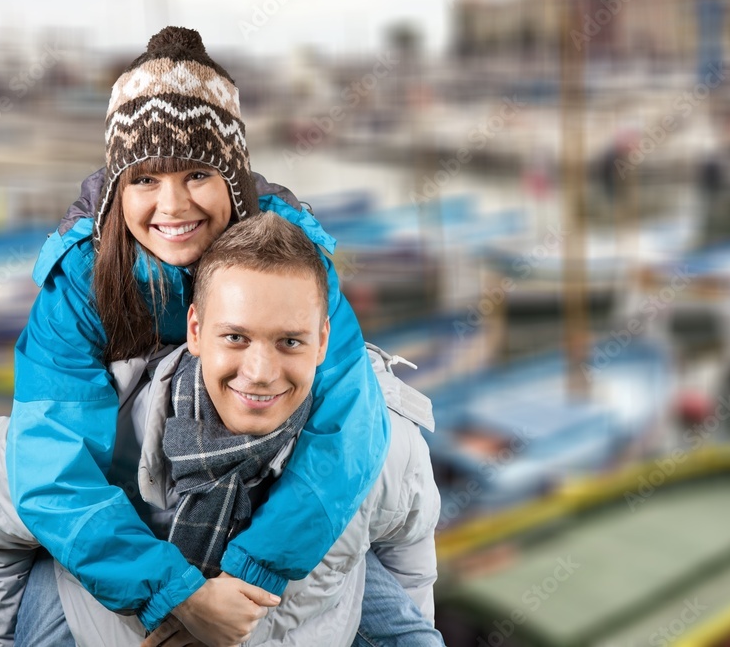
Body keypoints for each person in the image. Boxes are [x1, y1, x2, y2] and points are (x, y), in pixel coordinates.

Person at [0, 26, 395, 646]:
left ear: (234, 180)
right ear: (120, 187)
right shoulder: (81, 279)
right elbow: (52, 463)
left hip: (264, 522)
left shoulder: (293, 262)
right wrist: (174, 593)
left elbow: (348, 429)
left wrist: (248, 575)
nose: (173, 205)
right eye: (145, 179)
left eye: (197, 175)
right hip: (136, 525)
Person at [47, 212, 441, 645]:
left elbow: (409, 558)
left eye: (289, 341)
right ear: (195, 330)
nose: (259, 373)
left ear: (323, 341)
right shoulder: (99, 434)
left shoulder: (389, 446)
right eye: (236, 337)